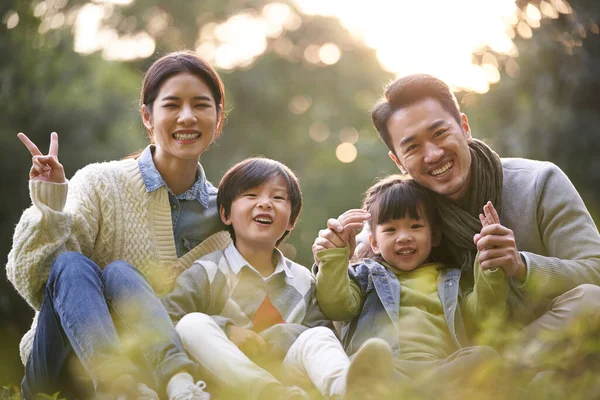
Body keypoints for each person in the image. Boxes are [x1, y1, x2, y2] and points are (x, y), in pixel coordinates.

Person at [314, 74, 600, 375]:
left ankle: (489, 380)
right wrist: (330, 254)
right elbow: (352, 284)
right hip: (456, 358)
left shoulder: (538, 183)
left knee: (592, 302)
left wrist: (521, 266)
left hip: (537, 342)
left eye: (439, 133)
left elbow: (595, 269)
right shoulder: (407, 210)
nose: (433, 154)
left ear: (464, 127)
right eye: (412, 147)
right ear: (398, 161)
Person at [6, 50, 232, 399]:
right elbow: (38, 282)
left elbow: (234, 310)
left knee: (121, 274)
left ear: (218, 120)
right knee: (71, 264)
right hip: (64, 368)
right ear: (147, 116)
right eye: (172, 105)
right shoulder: (100, 183)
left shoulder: (227, 217)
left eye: (201, 105)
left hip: (161, 378)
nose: (187, 117)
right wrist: (50, 207)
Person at [161, 157, 395, 400]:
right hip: (224, 380)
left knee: (318, 336)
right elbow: (167, 321)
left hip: (287, 381)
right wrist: (226, 330)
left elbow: (322, 337)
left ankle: (347, 391)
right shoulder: (207, 271)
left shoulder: (303, 280)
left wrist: (282, 336)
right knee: (191, 324)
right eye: (251, 195)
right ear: (225, 213)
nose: (265, 204)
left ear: (291, 221)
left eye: (278, 197)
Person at [314, 175, 508, 398]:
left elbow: (483, 317)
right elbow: (336, 306)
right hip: (389, 369)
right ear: (374, 243)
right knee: (372, 359)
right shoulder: (365, 275)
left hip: (440, 370)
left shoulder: (451, 279)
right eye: (390, 230)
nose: (404, 237)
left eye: (415, 226)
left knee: (485, 357)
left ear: (434, 236)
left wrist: (489, 265)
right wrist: (334, 257)